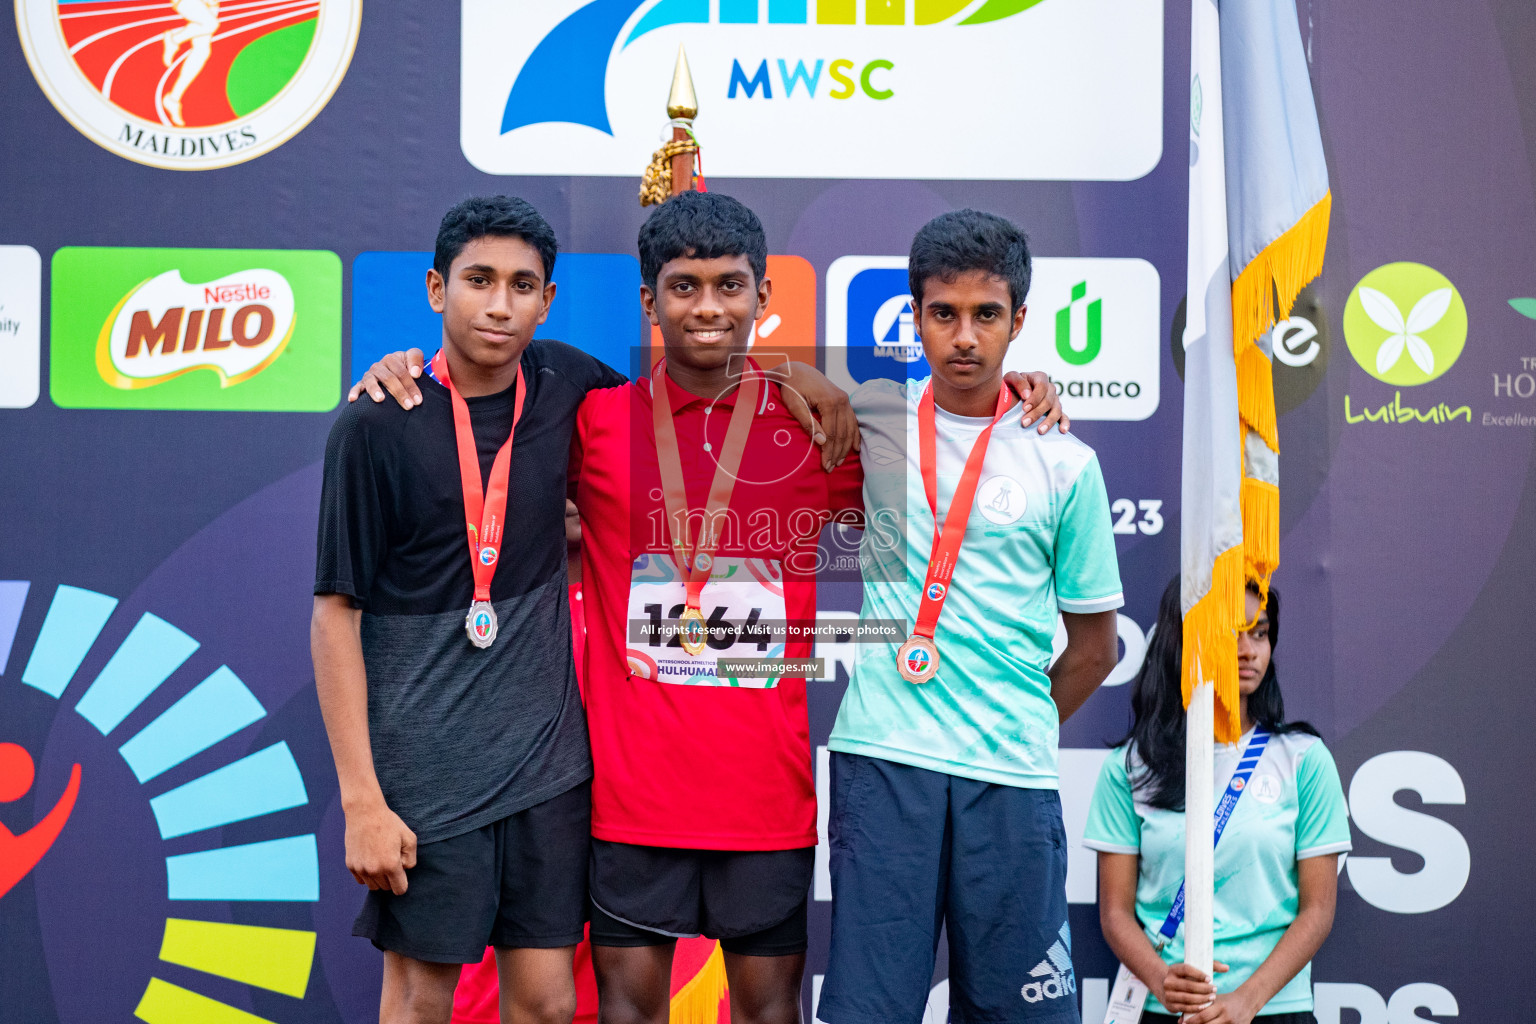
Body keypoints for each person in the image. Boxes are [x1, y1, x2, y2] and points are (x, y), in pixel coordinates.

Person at [312, 196, 632, 1024]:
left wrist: (801, 376)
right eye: (478, 280)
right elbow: (334, 617)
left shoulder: (570, 386)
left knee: (548, 1006)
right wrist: (362, 804)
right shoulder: (375, 424)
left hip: (549, 769)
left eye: (523, 285)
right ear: (434, 288)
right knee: (420, 1001)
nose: (500, 304)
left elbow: (688, 403)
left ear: (547, 300)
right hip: (424, 778)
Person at [819, 209, 1123, 1024]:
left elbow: (1096, 647)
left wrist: (1014, 717)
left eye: (986, 315)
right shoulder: (872, 422)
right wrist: (808, 377)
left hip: (1009, 777)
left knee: (1018, 1015)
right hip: (883, 764)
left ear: (1019, 322)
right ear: (913, 316)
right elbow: (740, 388)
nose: (963, 336)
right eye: (942, 313)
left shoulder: (1066, 460)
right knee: (868, 1012)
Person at [1083, 579, 1352, 1024]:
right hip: (1166, 1008)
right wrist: (1160, 978)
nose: (1249, 650)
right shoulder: (1128, 768)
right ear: (1186, 641)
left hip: (1273, 1008)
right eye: (1233, 633)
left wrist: (1248, 998)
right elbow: (1115, 912)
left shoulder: (1304, 759)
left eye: (1260, 633)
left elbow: (1318, 909)